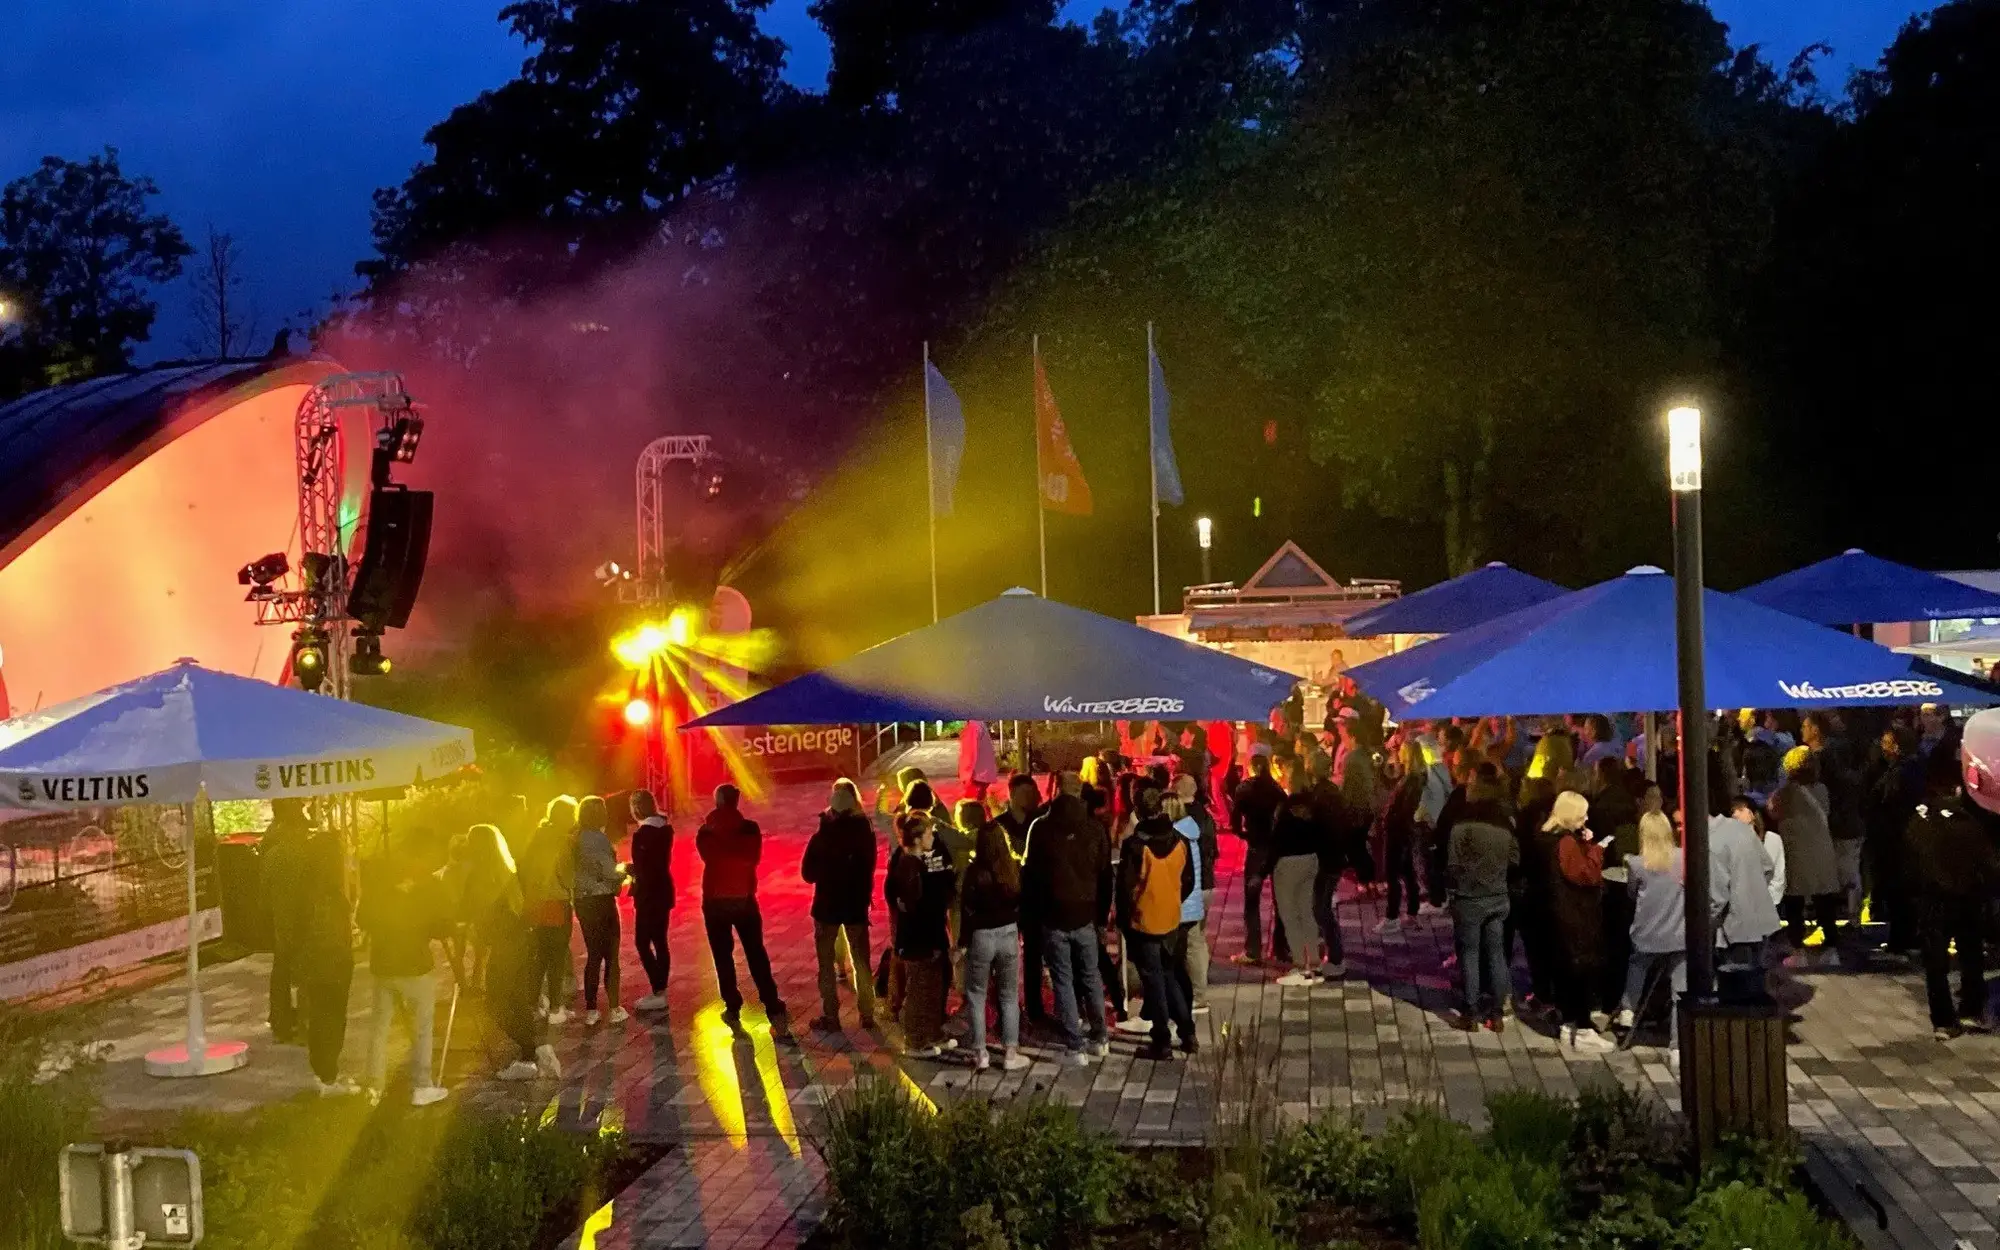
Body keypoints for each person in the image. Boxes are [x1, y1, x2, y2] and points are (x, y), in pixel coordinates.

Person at [1904, 750, 1997, 1039]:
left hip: (1931, 896)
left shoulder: (1919, 820)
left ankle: (1943, 1020)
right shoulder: (1968, 821)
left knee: (1936, 961)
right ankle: (1972, 1008)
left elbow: (1908, 857)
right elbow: (1989, 862)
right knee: (1970, 954)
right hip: (1967, 895)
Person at [1023, 771, 1112, 1065]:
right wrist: (1101, 916)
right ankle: (1100, 1037)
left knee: (1063, 979)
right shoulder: (1095, 828)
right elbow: (1104, 874)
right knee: (1090, 976)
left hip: (1053, 914)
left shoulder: (1041, 828)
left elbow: (1031, 874)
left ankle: (1075, 1044)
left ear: (1056, 790)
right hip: (1085, 913)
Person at [357, 840, 453, 1106]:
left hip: (383, 964)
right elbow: (442, 925)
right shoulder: (428, 885)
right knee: (422, 1025)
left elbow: (361, 919)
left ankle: (373, 1086)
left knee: (379, 1026)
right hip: (415, 964)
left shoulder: (378, 884)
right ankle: (421, 1085)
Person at [461, 824, 559, 1082]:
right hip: (520, 941)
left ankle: (531, 1053)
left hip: (503, 945)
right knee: (515, 1001)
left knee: (495, 1003)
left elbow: (466, 908)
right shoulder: (506, 871)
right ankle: (534, 1052)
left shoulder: (479, 876)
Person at [697, 784, 788, 1032]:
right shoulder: (750, 829)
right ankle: (771, 1001)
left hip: (715, 900)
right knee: (755, 951)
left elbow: (708, 858)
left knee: (722, 955)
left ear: (717, 801)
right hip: (744, 897)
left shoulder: (705, 832)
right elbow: (753, 859)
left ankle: (732, 1004)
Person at [1118, 788, 1198, 1060]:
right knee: (1170, 975)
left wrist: (1123, 920)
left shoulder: (1135, 846)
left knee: (1154, 982)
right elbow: (1188, 881)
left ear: (1138, 810)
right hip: (1171, 920)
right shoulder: (1180, 840)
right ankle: (1188, 1034)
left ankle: (1162, 1040)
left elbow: (1125, 890)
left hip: (1144, 921)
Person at [802, 779, 878, 1032]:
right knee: (861, 960)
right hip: (855, 903)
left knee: (826, 964)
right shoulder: (864, 833)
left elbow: (808, 874)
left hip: (827, 906)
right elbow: (869, 867)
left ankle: (831, 1016)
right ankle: (867, 1014)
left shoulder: (822, 836)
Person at [961, 801, 1031, 1071]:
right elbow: (1021, 903)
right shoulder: (1012, 869)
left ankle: (981, 1055)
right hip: (1009, 934)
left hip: (982, 936)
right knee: (1009, 994)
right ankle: (1011, 1052)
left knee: (976, 994)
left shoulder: (974, 873)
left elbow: (966, 910)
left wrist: (963, 943)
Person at [293, 813, 359, 1093]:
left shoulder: (306, 889)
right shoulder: (330, 894)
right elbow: (333, 934)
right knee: (331, 1019)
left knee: (319, 1019)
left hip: (314, 963)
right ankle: (329, 1076)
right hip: (332, 964)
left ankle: (323, 1073)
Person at [1447, 774, 1518, 1031]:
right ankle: (1498, 1012)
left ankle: (1470, 1011)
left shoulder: (1462, 825)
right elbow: (1515, 858)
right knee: (1497, 952)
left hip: (1469, 897)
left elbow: (1452, 864)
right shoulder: (1504, 825)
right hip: (1498, 896)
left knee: (1470, 954)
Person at [1544, 791, 1612, 1053]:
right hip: (1574, 915)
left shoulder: (1547, 837)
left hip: (1556, 914)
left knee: (1565, 972)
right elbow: (1586, 875)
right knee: (1580, 970)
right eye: (1582, 813)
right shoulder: (1566, 843)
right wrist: (1595, 850)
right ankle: (1582, 1029)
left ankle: (1568, 1023)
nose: (1586, 818)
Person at [1615, 812, 1686, 1057]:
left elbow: (1632, 894)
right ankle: (1676, 1046)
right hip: (1678, 934)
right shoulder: (1684, 858)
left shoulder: (1636, 863)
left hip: (1647, 933)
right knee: (1680, 991)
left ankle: (1628, 1009)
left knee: (1637, 965)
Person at [887, 811, 957, 1056]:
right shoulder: (910, 865)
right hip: (919, 940)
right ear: (917, 838)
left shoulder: (915, 862)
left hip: (929, 936)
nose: (933, 836)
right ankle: (915, 1041)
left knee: (934, 986)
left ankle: (931, 1033)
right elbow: (915, 905)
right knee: (918, 990)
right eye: (928, 833)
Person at [1708, 804, 1784, 1000]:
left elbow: (1717, 897)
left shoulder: (1711, 843)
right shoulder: (1740, 828)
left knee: (1738, 992)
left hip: (1735, 927)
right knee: (1755, 984)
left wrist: (1704, 925)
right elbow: (1767, 866)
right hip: (1760, 920)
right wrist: (1752, 891)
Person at [1771, 750, 1842, 952]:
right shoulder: (1821, 789)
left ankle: (1795, 938)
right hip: (1821, 847)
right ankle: (1830, 936)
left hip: (1796, 848)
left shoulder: (1786, 792)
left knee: (1795, 897)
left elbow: (1774, 811)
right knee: (1823, 895)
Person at [990, 775, 1046, 1022]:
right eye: (1024, 793)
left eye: (1031, 793)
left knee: (1033, 955)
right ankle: (1006, 1011)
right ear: (1011, 795)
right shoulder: (999, 825)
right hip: (1007, 900)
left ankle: (1035, 1008)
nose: (1029, 798)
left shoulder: (1040, 823)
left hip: (1034, 898)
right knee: (1005, 959)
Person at [519, 797, 579, 1023]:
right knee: (557, 958)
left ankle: (533, 1005)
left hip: (535, 904)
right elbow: (567, 876)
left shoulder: (537, 836)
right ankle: (556, 1008)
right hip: (556, 903)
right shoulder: (563, 841)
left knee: (540, 958)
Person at [572, 796, 628, 1026]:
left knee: (593, 954)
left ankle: (592, 1009)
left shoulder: (575, 839)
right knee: (611, 955)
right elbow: (608, 871)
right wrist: (624, 871)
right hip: (602, 899)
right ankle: (614, 1007)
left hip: (583, 901)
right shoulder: (598, 839)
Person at [260, 798, 312, 1045]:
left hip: (279, 918)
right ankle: (304, 1025)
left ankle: (281, 1022)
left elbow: (263, 891)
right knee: (303, 971)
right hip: (299, 917)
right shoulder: (297, 852)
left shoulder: (269, 848)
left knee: (281, 971)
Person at [1231, 753, 1290, 964]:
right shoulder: (1276, 790)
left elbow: (1235, 819)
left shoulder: (1245, 788)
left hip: (1256, 846)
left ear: (1252, 767)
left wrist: (1243, 834)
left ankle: (1253, 949)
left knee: (1252, 899)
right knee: (1280, 899)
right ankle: (1281, 948)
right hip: (1276, 846)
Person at [1269, 788, 1325, 987]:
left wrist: (1263, 871)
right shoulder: (1313, 821)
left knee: (1290, 916)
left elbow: (1274, 847)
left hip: (1287, 865)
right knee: (1306, 912)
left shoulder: (1285, 824)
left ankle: (1300, 966)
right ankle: (1315, 963)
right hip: (1310, 861)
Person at [1173, 773, 1220, 1006]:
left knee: (1191, 941)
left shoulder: (1181, 820)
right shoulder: (1207, 816)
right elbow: (1214, 851)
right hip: (1207, 884)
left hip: (1192, 886)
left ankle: (1197, 995)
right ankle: (1198, 987)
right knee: (1199, 938)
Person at [626, 789, 674, 1013]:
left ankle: (658, 990)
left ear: (637, 808)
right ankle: (660, 990)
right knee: (660, 941)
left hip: (648, 895)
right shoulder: (665, 829)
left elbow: (643, 869)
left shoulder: (643, 835)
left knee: (642, 942)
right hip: (664, 891)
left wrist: (628, 869)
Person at [1376, 741, 1428, 934]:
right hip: (1402, 830)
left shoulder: (1413, 780)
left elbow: (1405, 808)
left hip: (1398, 831)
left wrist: (1390, 818)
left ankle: (1392, 916)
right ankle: (1412, 913)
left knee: (1393, 874)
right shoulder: (1411, 777)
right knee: (1407, 873)